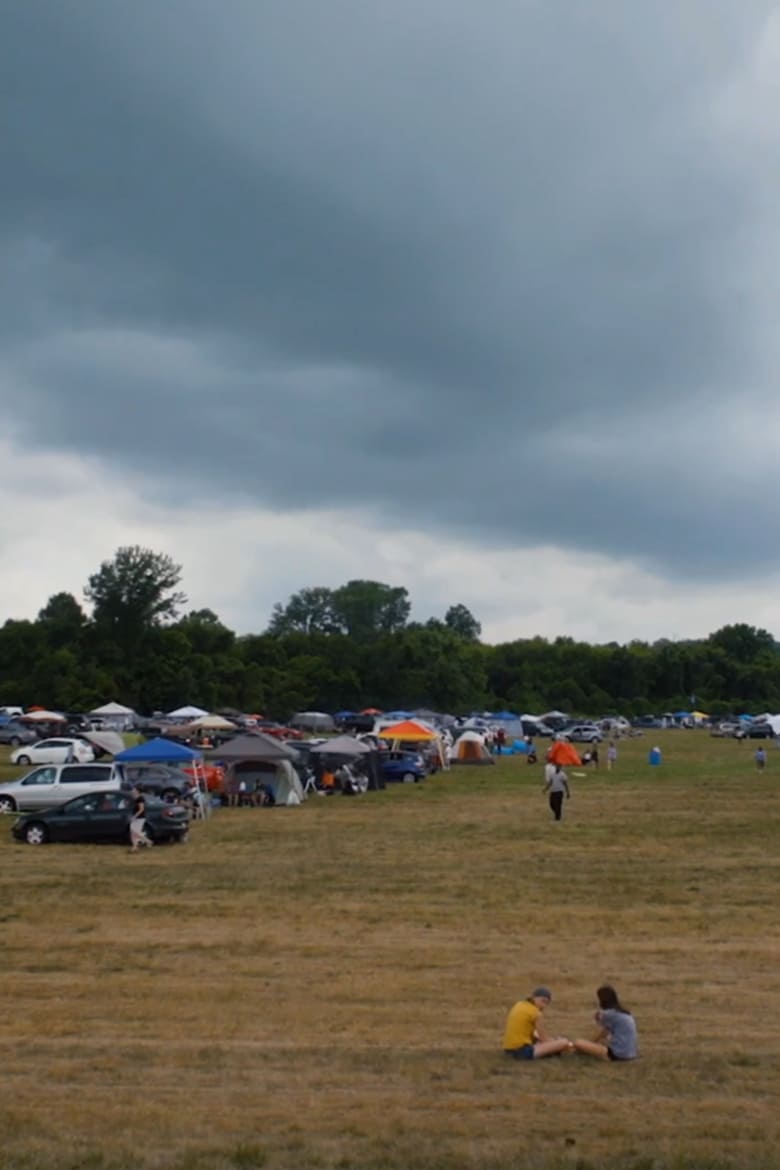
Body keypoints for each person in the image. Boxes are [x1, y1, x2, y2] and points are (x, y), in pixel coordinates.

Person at [571, 985, 638, 1061]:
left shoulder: (607, 1014)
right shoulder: (623, 1013)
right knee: (599, 1043)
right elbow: (604, 1032)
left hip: (617, 1054)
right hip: (631, 1053)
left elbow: (599, 1031)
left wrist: (589, 1043)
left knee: (578, 1043)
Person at [503, 987, 571, 1060]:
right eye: (543, 1001)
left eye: (546, 1003)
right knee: (564, 1042)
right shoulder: (535, 1013)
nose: (544, 1005)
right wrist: (556, 1042)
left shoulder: (519, 1004)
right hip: (522, 1052)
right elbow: (543, 1039)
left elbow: (534, 1035)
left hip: (508, 1049)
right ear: (534, 998)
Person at [129, 787, 153, 852]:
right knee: (132, 832)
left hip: (140, 818)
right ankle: (134, 847)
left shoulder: (140, 799)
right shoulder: (135, 798)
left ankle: (148, 841)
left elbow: (141, 809)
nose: (132, 791)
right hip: (136, 817)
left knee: (135, 832)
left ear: (137, 791)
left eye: (134, 790)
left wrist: (134, 816)